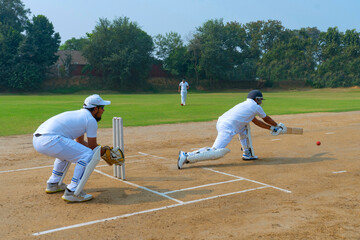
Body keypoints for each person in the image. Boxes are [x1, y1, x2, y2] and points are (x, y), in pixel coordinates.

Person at [177, 90, 285, 169]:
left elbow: (256, 122)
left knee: (244, 127)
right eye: (260, 100)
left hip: (224, 122)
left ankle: (247, 153)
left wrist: (272, 128)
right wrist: (277, 125)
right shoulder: (255, 106)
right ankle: (186, 156)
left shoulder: (246, 106)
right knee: (215, 152)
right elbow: (266, 118)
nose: (261, 102)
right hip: (228, 126)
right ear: (256, 99)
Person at [33, 94, 111, 202]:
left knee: (68, 153)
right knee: (87, 154)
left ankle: (53, 183)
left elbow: (79, 141)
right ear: (95, 108)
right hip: (51, 139)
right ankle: (73, 191)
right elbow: (93, 147)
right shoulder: (90, 120)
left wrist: (102, 151)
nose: (103, 110)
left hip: (38, 139)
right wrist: (107, 152)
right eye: (102, 107)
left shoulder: (80, 115)